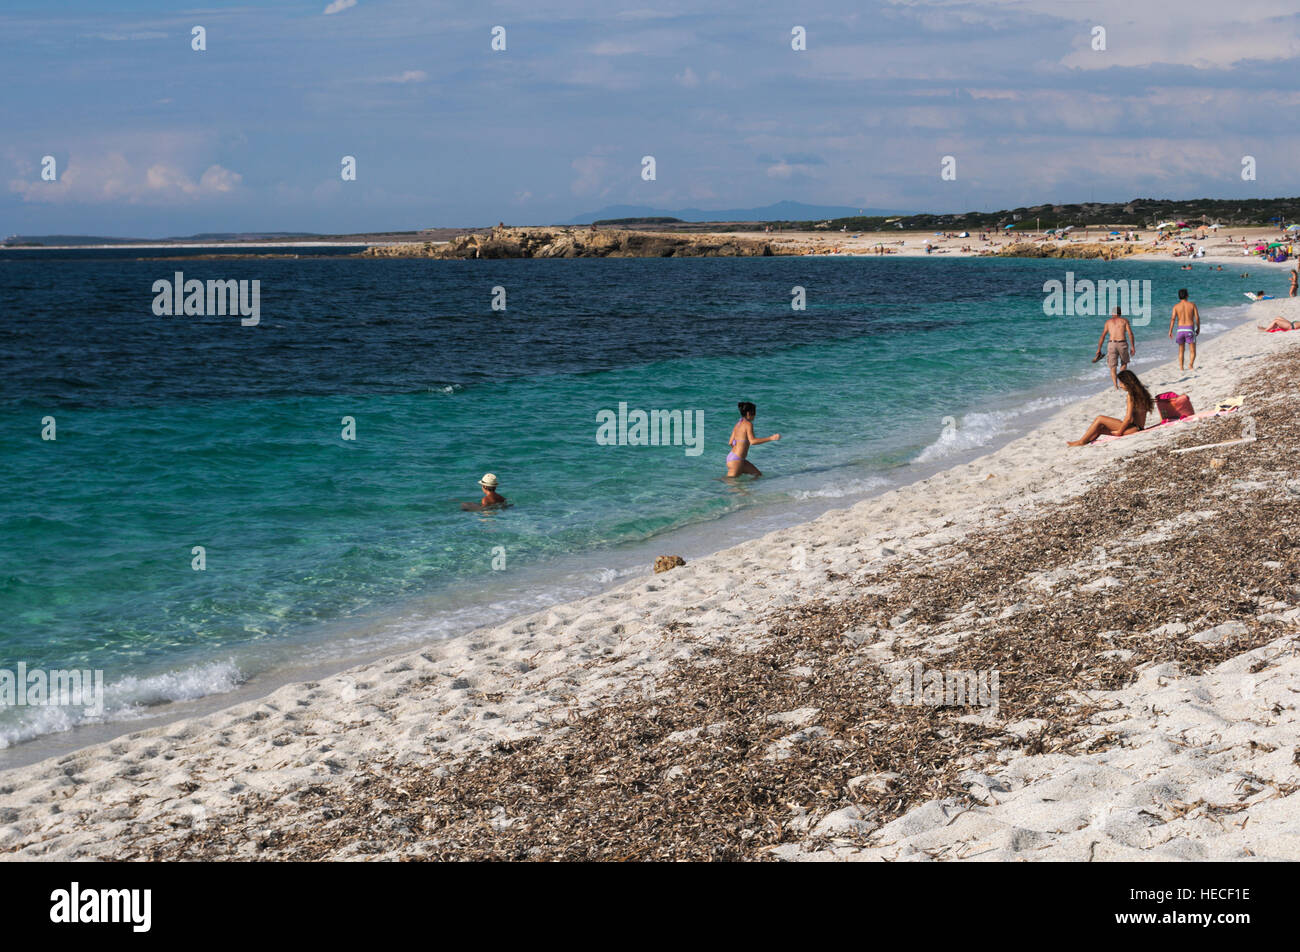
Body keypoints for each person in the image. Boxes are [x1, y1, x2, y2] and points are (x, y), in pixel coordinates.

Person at [1067, 370, 1154, 446]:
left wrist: (1119, 431)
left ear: (1127, 382)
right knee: (1100, 429)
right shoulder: (1142, 392)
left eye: (1121, 383)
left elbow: (1127, 418)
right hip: (1137, 427)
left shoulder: (1131, 395)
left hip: (1134, 429)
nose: (1120, 385)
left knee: (1100, 418)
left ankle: (1081, 442)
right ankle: (1085, 441)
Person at [726, 401, 780, 477]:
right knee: (731, 483)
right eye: (754, 413)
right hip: (736, 460)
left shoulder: (738, 424)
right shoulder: (748, 424)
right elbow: (753, 441)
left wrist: (740, 449)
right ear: (748, 413)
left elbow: (730, 442)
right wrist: (771, 438)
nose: (755, 415)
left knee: (757, 474)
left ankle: (750, 488)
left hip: (734, 457)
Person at [1092, 306, 1136, 388]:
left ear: (1112, 313)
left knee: (1113, 366)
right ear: (1120, 313)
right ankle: (1121, 383)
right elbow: (1130, 334)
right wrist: (1133, 346)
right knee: (1124, 363)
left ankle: (1115, 386)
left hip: (1111, 344)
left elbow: (1102, 336)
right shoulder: (1124, 321)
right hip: (1122, 343)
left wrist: (1099, 349)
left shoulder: (1108, 322)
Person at [1168, 288, 1200, 371]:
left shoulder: (1176, 306)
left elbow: (1172, 319)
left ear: (1179, 296)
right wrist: (1198, 328)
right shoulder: (1192, 305)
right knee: (1192, 350)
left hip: (1180, 330)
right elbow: (1197, 318)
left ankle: (1181, 368)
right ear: (1187, 295)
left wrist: (1170, 331)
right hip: (1189, 329)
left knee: (1181, 350)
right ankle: (1190, 365)